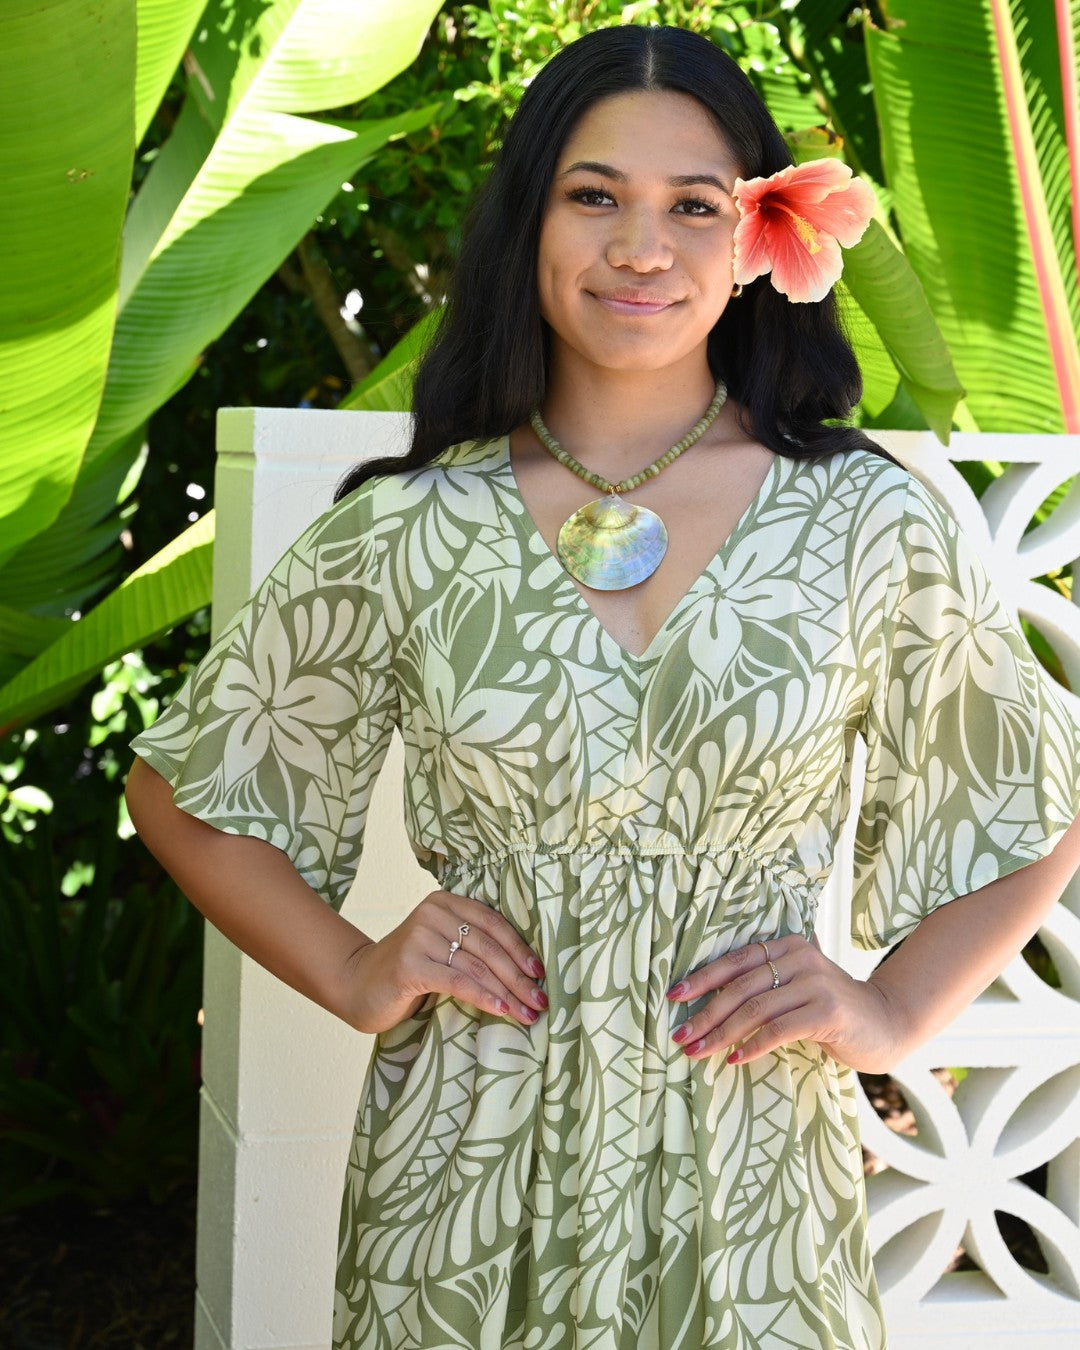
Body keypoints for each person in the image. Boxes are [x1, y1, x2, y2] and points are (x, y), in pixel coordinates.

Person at [125, 24, 1080, 1350]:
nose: (644, 246)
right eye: (595, 196)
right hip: (463, 1169)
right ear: (530, 223)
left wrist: (892, 1010)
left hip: (753, 1175)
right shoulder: (414, 525)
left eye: (694, 205)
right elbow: (189, 787)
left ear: (759, 238)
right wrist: (354, 967)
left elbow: (1034, 790)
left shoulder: (864, 515)